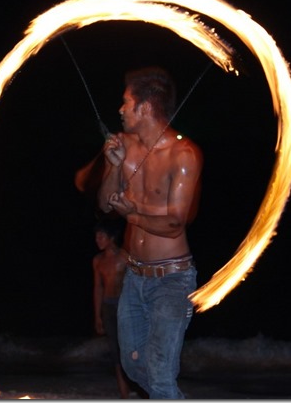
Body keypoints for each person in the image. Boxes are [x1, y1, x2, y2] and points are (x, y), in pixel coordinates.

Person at [97, 66, 203, 399]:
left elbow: (174, 224)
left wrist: (135, 215)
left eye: (125, 103)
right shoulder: (124, 147)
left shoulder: (184, 155)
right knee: (132, 366)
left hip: (172, 280)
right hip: (134, 278)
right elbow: (104, 204)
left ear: (145, 107)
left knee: (158, 374)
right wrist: (114, 166)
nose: (120, 110)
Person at [92, 218, 130, 399]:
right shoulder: (97, 260)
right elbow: (98, 288)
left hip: (125, 307)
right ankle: (124, 395)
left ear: (111, 238)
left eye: (101, 236)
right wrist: (97, 316)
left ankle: (142, 388)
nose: (97, 240)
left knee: (130, 349)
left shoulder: (125, 256)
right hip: (108, 307)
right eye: (96, 236)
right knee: (115, 351)